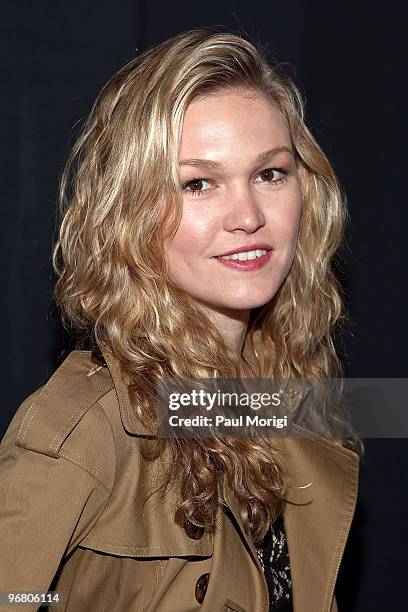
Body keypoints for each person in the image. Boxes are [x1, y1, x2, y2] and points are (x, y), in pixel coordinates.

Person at [0, 28, 363, 612]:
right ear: (131, 212)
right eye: (199, 184)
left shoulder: (297, 391)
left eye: (270, 173)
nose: (248, 216)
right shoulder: (78, 433)